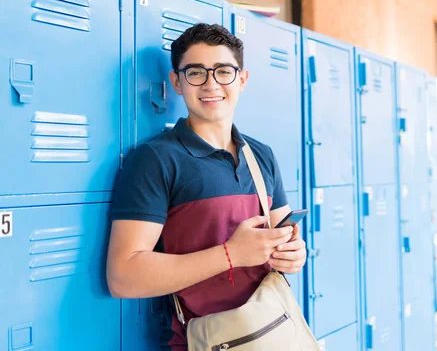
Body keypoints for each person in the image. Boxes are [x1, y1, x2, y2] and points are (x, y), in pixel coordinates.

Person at [105, 24, 307, 350]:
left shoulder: (261, 156)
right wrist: (232, 254)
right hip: (207, 341)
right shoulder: (155, 159)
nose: (211, 83)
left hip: (272, 334)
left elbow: (283, 236)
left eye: (224, 71)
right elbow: (123, 276)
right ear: (177, 83)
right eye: (196, 72)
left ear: (242, 79)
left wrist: (294, 254)